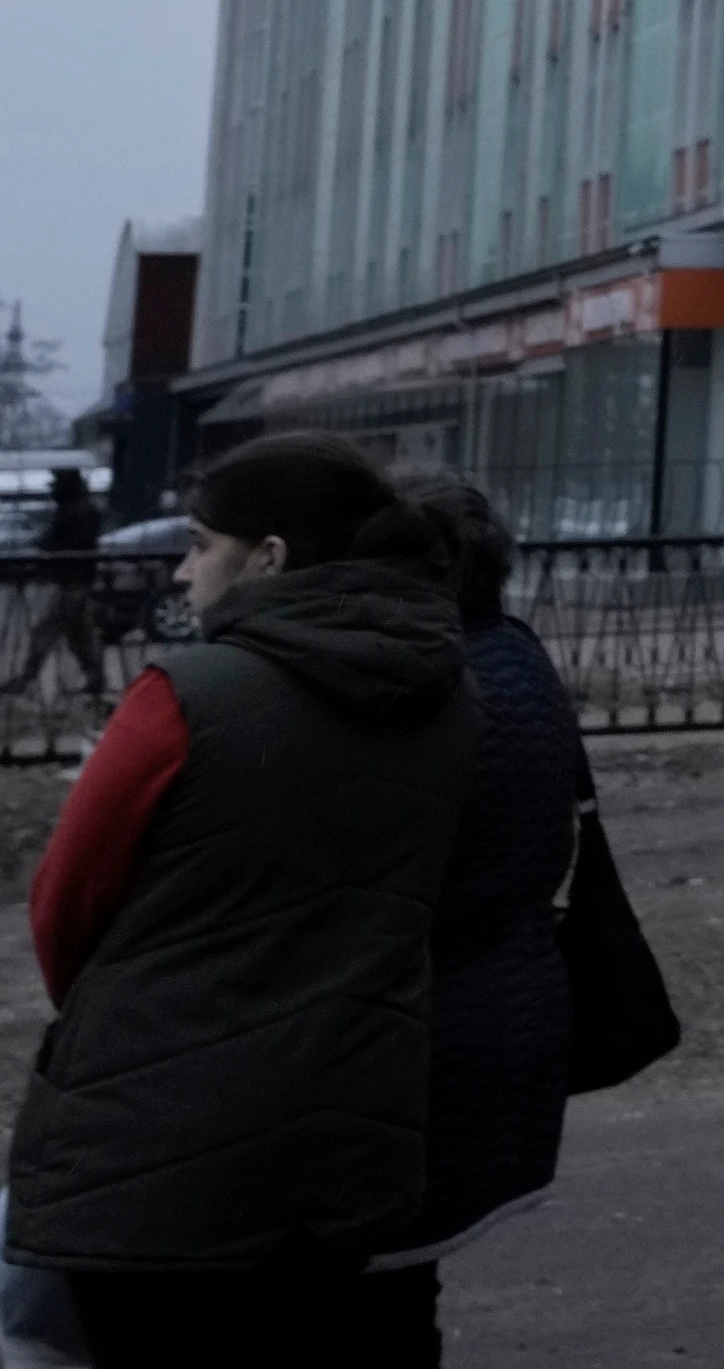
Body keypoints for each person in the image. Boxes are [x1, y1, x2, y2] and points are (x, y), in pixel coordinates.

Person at [5, 433, 474, 1366]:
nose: (181, 572)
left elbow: (65, 906)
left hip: (158, 1131)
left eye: (198, 543)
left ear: (268, 557)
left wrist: (126, 1016)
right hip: (349, 1123)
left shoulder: (183, 694)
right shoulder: (449, 696)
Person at [372, 476, 594, 1332]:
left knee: (367, 1301)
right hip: (499, 1014)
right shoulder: (514, 654)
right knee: (396, 1294)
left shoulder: (435, 685)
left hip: (425, 1029)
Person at [10, 469, 107, 704]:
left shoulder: (81, 510)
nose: (52, 491)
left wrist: (49, 545)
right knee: (78, 634)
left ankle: (27, 677)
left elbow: (76, 542)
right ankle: (96, 681)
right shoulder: (75, 508)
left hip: (75, 580)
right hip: (72, 579)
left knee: (48, 629)